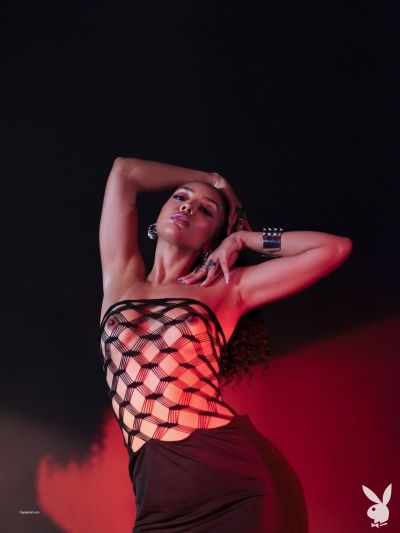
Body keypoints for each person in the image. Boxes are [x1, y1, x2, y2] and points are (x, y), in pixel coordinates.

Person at [98, 157, 353, 532]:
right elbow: (124, 171)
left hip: (233, 482)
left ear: (211, 241)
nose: (188, 207)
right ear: (159, 215)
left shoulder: (226, 289)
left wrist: (244, 239)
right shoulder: (120, 277)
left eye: (206, 210)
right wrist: (211, 179)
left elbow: (334, 248)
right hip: (156, 491)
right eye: (181, 197)